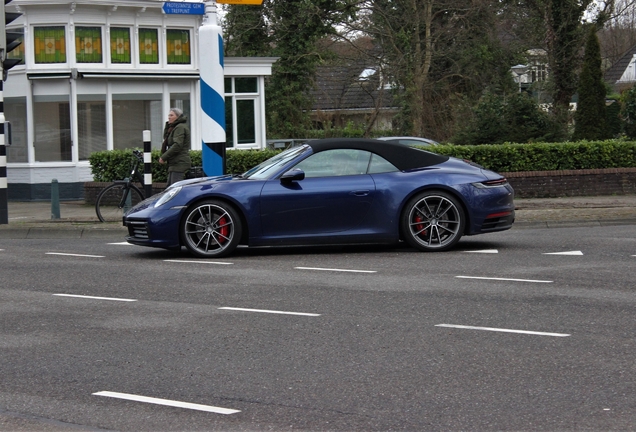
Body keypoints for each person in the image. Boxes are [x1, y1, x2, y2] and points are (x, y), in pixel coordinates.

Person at [159, 108, 191, 186]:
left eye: (171, 115)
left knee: (174, 190)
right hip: (175, 163)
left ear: (178, 117)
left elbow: (177, 145)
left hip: (179, 163)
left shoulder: (180, 127)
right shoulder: (174, 127)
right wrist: (168, 125)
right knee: (170, 189)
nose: (169, 117)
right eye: (168, 115)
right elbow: (166, 138)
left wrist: (164, 157)